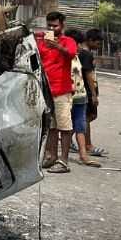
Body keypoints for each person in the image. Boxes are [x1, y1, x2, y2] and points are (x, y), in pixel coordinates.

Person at [37, 12, 77, 174]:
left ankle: (64, 161)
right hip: (46, 91)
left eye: (55, 26)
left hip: (62, 90)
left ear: (62, 26)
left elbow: (72, 54)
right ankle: (51, 156)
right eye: (50, 25)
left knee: (64, 126)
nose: (52, 28)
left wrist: (58, 47)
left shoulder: (69, 41)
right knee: (51, 126)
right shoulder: (42, 41)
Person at [66, 29, 100, 168]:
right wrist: (93, 94)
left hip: (80, 94)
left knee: (80, 124)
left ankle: (83, 154)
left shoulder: (78, 55)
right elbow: (89, 75)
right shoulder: (77, 55)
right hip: (70, 94)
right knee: (73, 124)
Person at [81, 29, 106, 158]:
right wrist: (93, 95)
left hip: (86, 90)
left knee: (86, 117)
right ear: (90, 40)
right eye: (98, 42)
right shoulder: (86, 55)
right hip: (87, 91)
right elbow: (89, 75)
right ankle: (87, 145)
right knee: (87, 117)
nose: (99, 45)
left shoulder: (84, 53)